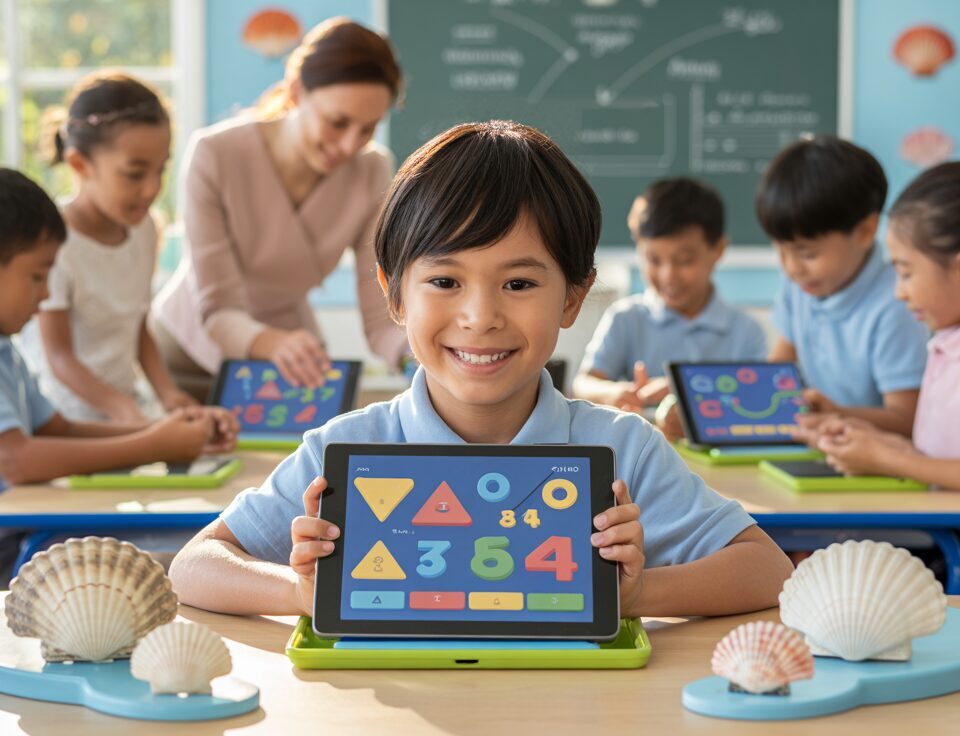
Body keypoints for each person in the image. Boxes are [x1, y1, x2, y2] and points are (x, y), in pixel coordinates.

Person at [169, 121, 792, 618]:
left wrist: (635, 594)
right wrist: (299, 592)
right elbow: (195, 565)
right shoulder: (346, 451)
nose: (480, 317)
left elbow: (767, 569)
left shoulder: (622, 449)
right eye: (445, 281)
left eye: (518, 283)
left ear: (573, 298)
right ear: (394, 294)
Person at [152, 18, 408, 399]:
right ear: (296, 92)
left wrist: (417, 357)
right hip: (188, 353)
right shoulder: (215, 154)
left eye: (367, 129)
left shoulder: (372, 171)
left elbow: (379, 314)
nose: (350, 145)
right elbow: (219, 309)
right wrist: (274, 344)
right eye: (337, 122)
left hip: (290, 360)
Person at [0, 168, 237, 486]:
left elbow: (57, 430)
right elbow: (13, 461)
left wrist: (174, 431)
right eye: (37, 277)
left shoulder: (7, 353)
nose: (45, 295)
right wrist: (154, 445)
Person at [20, 72, 193, 423]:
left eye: (161, 171)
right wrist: (121, 409)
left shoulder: (145, 229)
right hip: (64, 423)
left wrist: (168, 394)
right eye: (135, 174)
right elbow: (59, 357)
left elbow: (137, 323)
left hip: (125, 413)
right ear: (79, 165)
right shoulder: (53, 242)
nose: (152, 189)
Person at [757, 135, 928, 439]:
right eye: (781, 250)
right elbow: (775, 369)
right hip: (824, 446)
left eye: (807, 254)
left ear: (865, 231)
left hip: (877, 458)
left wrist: (835, 414)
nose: (791, 268)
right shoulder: (801, 285)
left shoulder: (898, 303)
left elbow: (908, 419)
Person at [818, 162, 960, 488]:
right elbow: (938, 459)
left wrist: (890, 459)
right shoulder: (945, 344)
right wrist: (879, 445)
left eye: (906, 273)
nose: (899, 292)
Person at [574, 178, 766, 413]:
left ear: (718, 250)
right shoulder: (626, 318)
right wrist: (615, 393)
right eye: (653, 260)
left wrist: (686, 391)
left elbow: (758, 400)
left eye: (685, 260)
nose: (668, 276)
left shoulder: (745, 331)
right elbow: (583, 384)